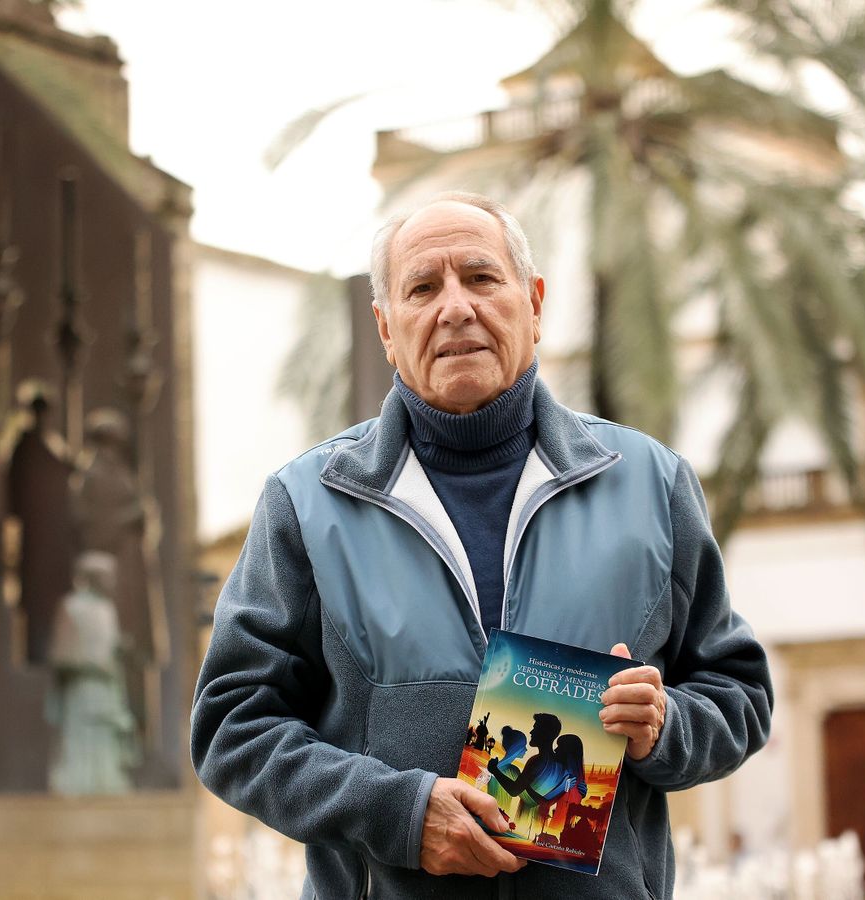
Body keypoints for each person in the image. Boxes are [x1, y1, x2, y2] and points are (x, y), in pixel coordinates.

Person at [190, 192, 773, 898]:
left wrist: (666, 728)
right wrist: (399, 813)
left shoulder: (651, 484)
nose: (455, 307)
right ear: (386, 326)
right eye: (423, 288)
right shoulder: (308, 504)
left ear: (533, 303)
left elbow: (738, 691)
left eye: (481, 277)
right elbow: (232, 727)